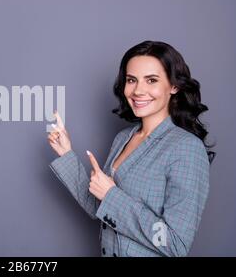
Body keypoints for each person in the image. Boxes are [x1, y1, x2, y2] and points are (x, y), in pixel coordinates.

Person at [47, 40, 214, 257]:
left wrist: (112, 195)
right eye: (131, 80)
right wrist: (66, 153)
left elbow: (175, 243)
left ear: (174, 86)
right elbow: (99, 206)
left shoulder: (186, 148)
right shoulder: (123, 138)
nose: (138, 90)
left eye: (151, 80)